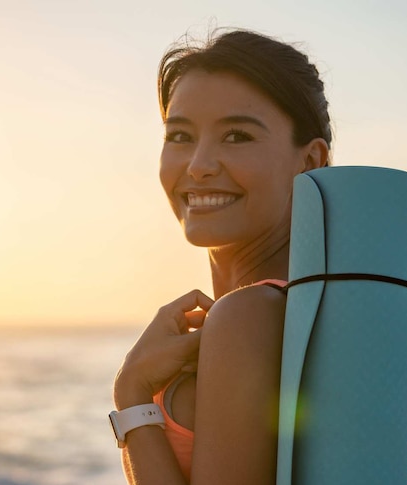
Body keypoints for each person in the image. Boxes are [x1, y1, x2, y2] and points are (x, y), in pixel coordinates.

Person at [111, 29, 332, 484]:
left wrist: (132, 396)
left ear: (310, 162)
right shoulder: (311, 310)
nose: (198, 165)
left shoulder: (247, 316)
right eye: (179, 136)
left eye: (236, 135)